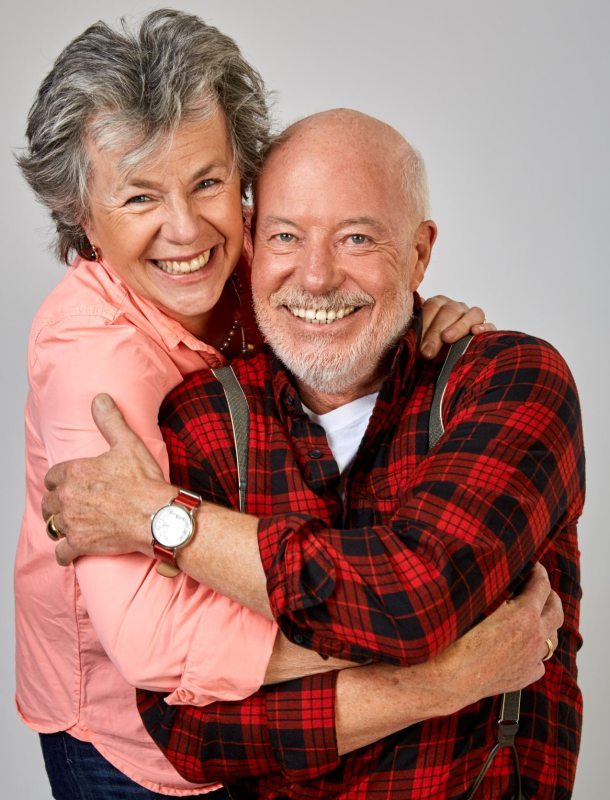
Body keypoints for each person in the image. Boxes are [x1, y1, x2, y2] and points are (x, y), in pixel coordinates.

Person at [14, 9, 506, 799]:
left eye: (208, 183)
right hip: (132, 741)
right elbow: (149, 641)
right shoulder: (87, 357)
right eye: (139, 197)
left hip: (275, 714)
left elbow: (342, 292)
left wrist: (413, 317)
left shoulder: (259, 255)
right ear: (81, 212)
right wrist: (417, 641)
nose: (186, 231)